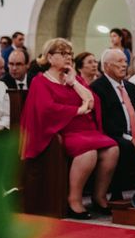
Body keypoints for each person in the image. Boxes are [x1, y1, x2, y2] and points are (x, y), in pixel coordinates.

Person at [20, 38, 119, 219]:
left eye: (70, 54)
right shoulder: (40, 81)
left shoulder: (74, 78)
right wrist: (76, 110)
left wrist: (74, 82)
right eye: (63, 54)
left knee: (112, 149)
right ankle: (74, 199)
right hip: (61, 130)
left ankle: (99, 196)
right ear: (50, 57)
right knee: (88, 152)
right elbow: (46, 109)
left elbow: (91, 100)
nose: (68, 58)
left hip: (85, 129)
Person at [91, 49, 135, 203]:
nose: (123, 65)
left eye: (125, 62)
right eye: (119, 62)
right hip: (112, 134)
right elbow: (105, 121)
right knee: (124, 146)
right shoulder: (98, 88)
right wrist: (130, 139)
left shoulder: (131, 87)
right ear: (106, 66)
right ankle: (116, 195)